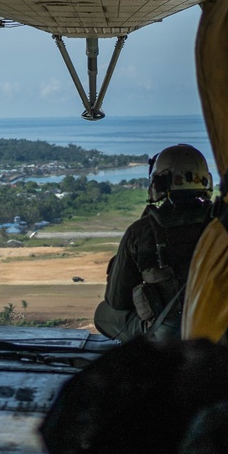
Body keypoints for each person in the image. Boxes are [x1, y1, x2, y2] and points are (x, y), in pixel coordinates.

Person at [94, 144, 213, 342]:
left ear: (159, 183)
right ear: (205, 180)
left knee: (103, 313)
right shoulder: (221, 224)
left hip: (168, 336)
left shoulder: (141, 231)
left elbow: (116, 300)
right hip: (217, 324)